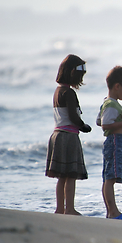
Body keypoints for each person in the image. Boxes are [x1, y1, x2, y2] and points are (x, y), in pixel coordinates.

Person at [45, 54, 91, 215]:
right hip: (69, 137)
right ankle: (70, 209)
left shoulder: (57, 92)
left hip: (57, 135)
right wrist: (83, 126)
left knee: (61, 177)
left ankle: (59, 209)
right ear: (71, 72)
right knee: (71, 175)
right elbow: (72, 117)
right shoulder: (69, 93)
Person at [97, 66, 122, 220]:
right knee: (110, 178)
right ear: (117, 86)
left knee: (110, 178)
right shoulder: (112, 104)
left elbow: (99, 121)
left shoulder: (109, 103)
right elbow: (105, 125)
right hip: (115, 142)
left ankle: (111, 212)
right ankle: (113, 212)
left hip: (117, 142)